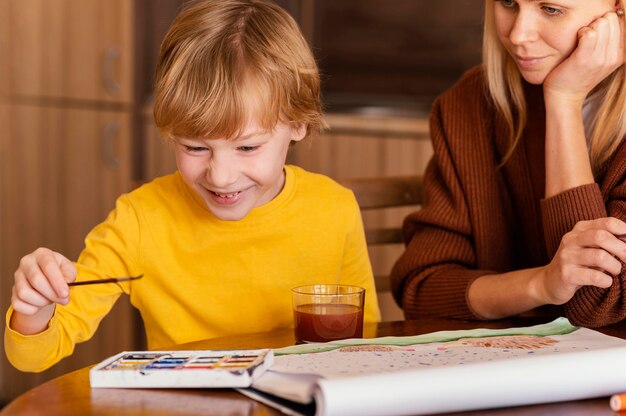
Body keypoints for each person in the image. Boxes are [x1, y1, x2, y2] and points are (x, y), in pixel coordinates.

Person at [5, 0, 380, 372]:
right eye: (195, 147)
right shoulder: (139, 219)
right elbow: (33, 356)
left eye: (247, 146)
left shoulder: (335, 209)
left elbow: (365, 347)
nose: (221, 176)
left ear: (299, 123)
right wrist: (36, 308)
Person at [391, 0, 626, 327]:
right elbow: (426, 288)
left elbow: (597, 299)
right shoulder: (471, 103)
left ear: (618, 9)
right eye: (508, 3)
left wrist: (563, 100)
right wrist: (542, 284)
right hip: (514, 368)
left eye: (550, 9)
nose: (518, 34)